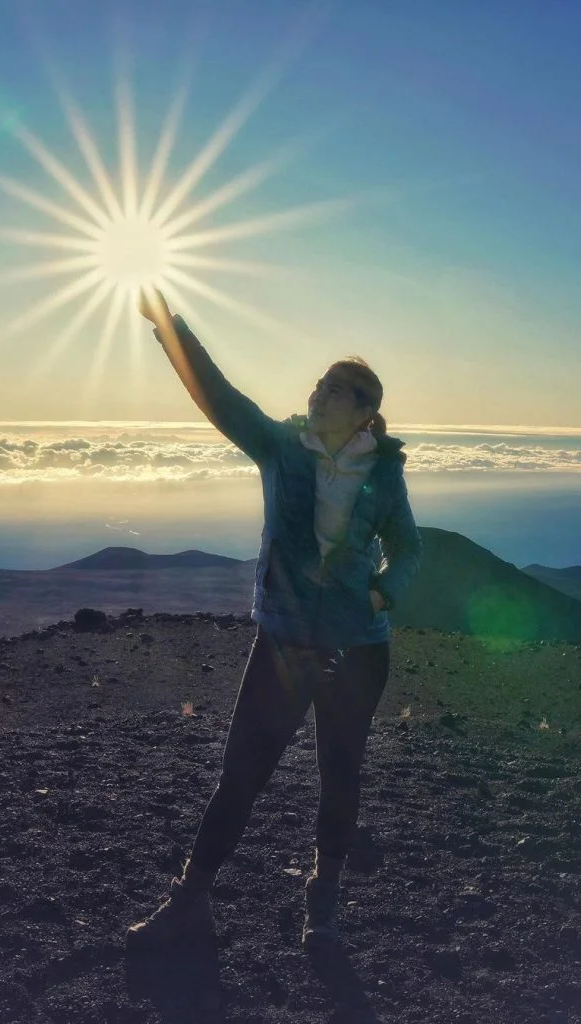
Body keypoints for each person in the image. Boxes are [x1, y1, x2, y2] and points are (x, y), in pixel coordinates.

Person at [125, 288, 422, 952]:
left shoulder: (384, 475)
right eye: (319, 384)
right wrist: (171, 326)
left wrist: (380, 596)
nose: (319, 394)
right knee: (243, 773)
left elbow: (409, 546)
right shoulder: (282, 448)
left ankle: (323, 901)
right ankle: (190, 900)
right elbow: (219, 397)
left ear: (367, 412)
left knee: (339, 771)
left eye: (336, 390)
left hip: (358, 647)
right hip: (286, 639)